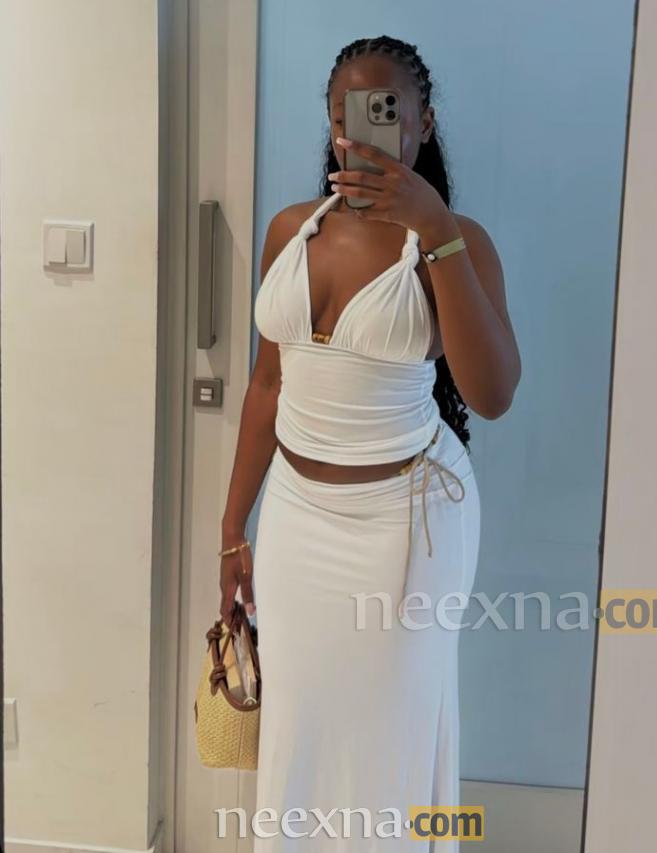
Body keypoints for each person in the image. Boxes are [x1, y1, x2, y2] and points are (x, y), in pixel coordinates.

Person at [218, 35, 520, 851]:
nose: (361, 134)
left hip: (407, 525)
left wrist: (436, 230)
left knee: (391, 731)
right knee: (300, 724)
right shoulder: (291, 229)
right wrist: (232, 531)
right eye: (345, 116)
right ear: (330, 124)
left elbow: (492, 394)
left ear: (424, 124)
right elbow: (267, 385)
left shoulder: (455, 240)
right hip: (295, 518)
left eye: (385, 113)